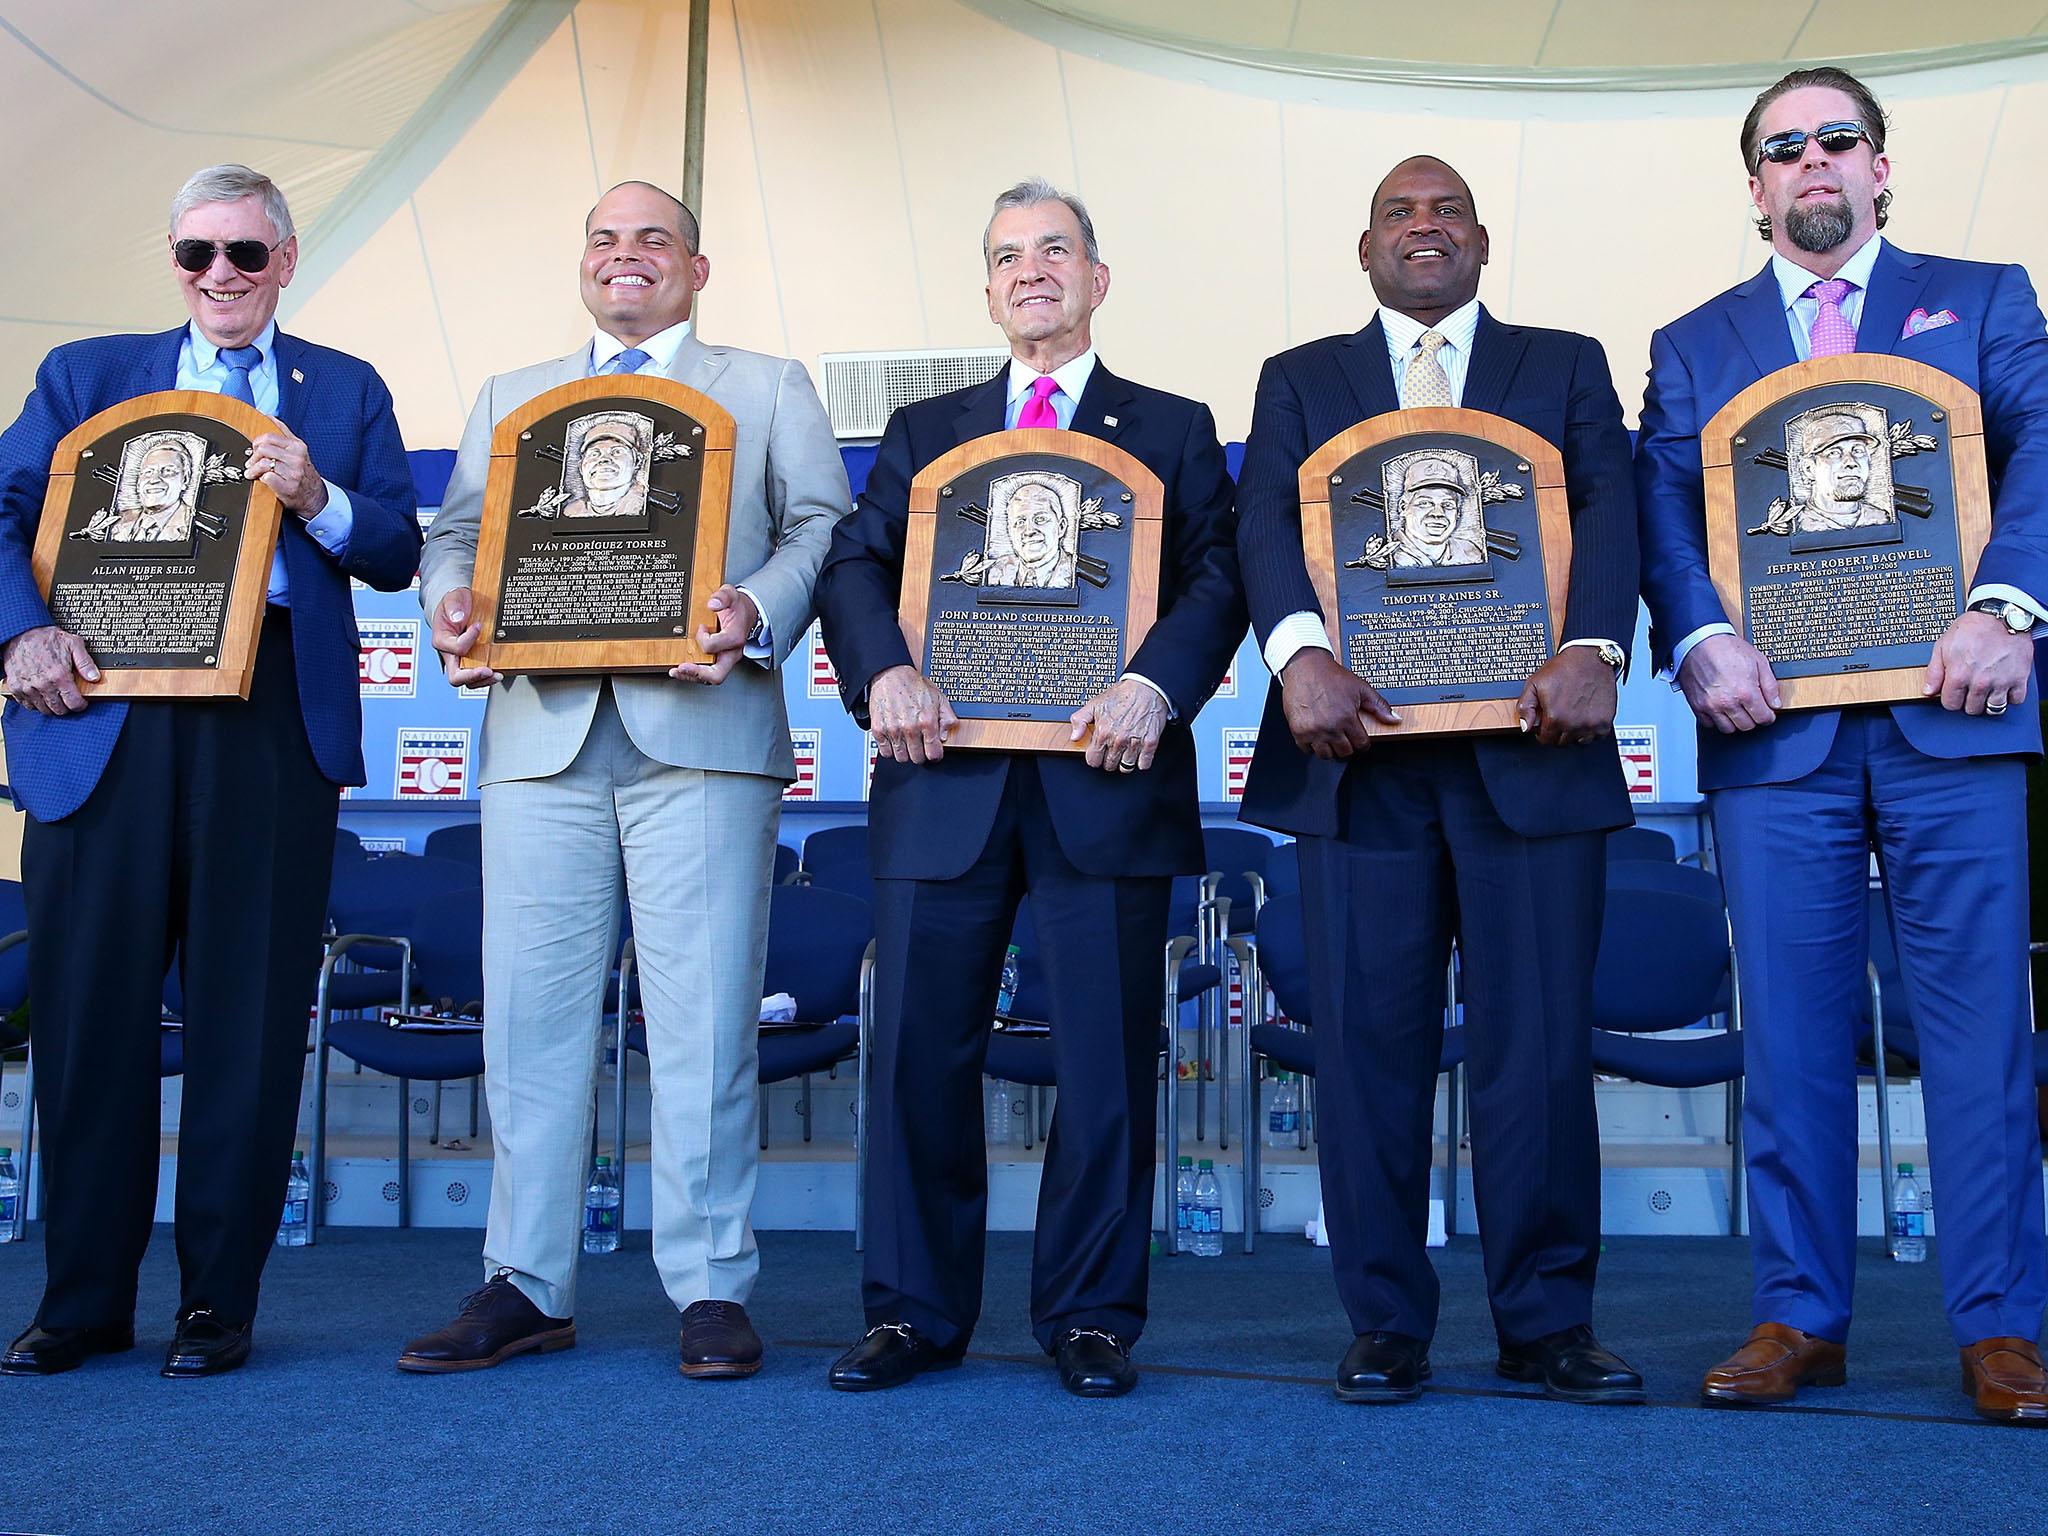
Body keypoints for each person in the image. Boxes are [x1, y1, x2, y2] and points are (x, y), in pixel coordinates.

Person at [1635, 66, 2048, 1423]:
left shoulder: (1986, 298)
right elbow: (1662, 508)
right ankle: (1799, 1316)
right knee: (1795, 1038)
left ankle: (1999, 1325)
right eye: (1783, 148)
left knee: (1980, 1036)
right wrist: (1699, 641)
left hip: (1959, 712)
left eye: (1837, 141)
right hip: (1776, 739)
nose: (1812, 162)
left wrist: (2008, 606)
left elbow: (2044, 446)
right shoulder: (1694, 340)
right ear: (1753, 186)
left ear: (1882, 167)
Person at [401, 181, 849, 1380]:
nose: (626, 255)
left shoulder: (766, 384)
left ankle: (709, 1286)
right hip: (538, 740)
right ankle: (525, 1281)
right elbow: (453, 531)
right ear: (581, 265)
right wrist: (448, 594)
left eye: (654, 238)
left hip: (702, 734)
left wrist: (755, 607)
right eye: (603, 238)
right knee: (530, 1023)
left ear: (696, 269)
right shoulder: (511, 396)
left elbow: (822, 523)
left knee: (704, 1026)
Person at [814, 178, 1243, 1398]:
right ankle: (909, 1313)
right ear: (988, 289)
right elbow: (856, 564)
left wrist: (1156, 687)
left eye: (1055, 251)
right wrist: (883, 669)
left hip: (1104, 778)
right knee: (914, 1057)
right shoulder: (922, 430)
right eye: (1008, 257)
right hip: (940, 778)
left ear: (1098, 279)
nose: (1032, 272)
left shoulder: (1169, 423)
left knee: (1105, 1060)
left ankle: (1091, 1315)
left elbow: (1216, 577)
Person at [0, 163, 420, 1377]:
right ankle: (79, 1301)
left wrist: (320, 495)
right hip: (103, 720)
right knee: (87, 1026)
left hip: (271, 721)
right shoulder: (85, 377)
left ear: (285, 260)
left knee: (245, 1025)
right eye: (197, 255)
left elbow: (396, 547)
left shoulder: (342, 389)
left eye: (245, 253)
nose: (219, 277)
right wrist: (20, 631)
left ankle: (215, 1307)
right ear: (173, 262)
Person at [1236, 155, 1643, 1406]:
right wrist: (1298, 656)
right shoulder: (1298, 378)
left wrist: (1593, 645)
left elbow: (1612, 509)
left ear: (1480, 243)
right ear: (1364, 251)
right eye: (1399, 215)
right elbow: (1260, 525)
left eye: (1446, 211)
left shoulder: (1562, 360)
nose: (1425, 228)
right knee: (1367, 1050)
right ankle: (1384, 1322)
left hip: (1533, 753)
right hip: (1354, 757)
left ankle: (1543, 1323)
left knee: (1535, 1047)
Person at [560, 416, 649, 520]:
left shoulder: (640, 504)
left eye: (616, 452)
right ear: (580, 467)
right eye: (594, 454)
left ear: (637, 462)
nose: (604, 459)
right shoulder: (571, 511)